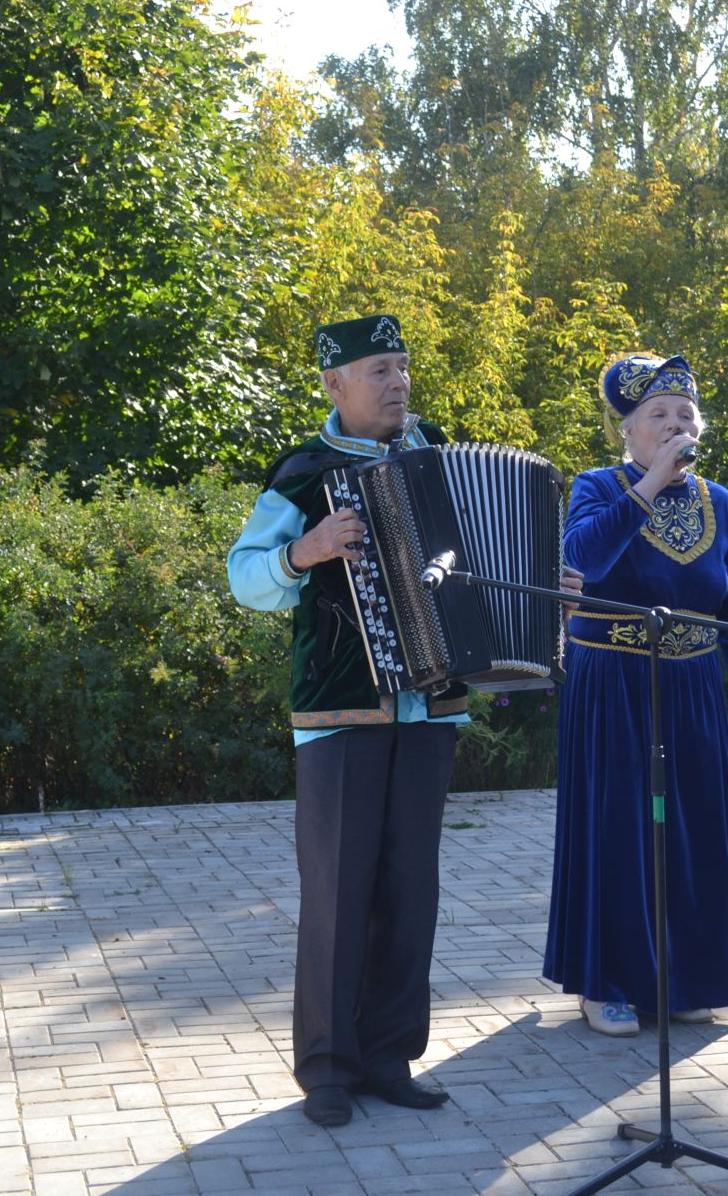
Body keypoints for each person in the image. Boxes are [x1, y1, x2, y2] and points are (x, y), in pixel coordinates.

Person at [226, 313, 462, 1128]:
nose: (398, 382)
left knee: (410, 886)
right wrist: (308, 549)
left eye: (402, 366)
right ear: (335, 385)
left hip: (429, 706)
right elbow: (244, 578)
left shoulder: (443, 461)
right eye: (380, 371)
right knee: (336, 889)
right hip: (339, 706)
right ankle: (327, 1068)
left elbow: (485, 557)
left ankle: (390, 1055)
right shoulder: (302, 474)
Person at [542, 354, 728, 1037]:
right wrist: (648, 488)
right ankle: (606, 982)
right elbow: (580, 560)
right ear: (628, 434)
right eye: (658, 417)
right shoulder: (596, 487)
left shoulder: (721, 502)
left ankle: (685, 977)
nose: (675, 427)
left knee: (696, 834)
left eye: (686, 416)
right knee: (620, 831)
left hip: (694, 684)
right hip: (613, 683)